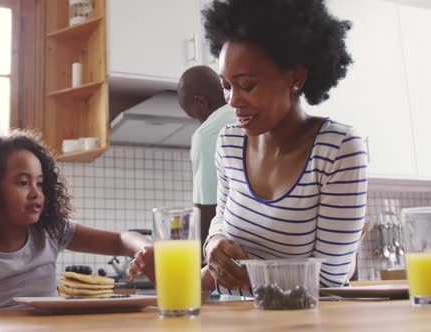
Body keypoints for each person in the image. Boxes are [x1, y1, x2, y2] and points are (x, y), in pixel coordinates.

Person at [130, 0, 367, 293]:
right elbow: (221, 220)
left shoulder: (338, 151)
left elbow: (332, 279)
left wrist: (253, 278)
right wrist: (213, 244)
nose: (232, 100)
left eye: (247, 85)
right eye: (226, 86)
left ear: (295, 79)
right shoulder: (229, 143)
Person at [0, 130, 152, 310]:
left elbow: (121, 240)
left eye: (40, 183)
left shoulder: (51, 231)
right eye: (23, 183)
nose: (37, 193)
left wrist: (146, 250)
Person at [177, 65, 235, 252]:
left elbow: (206, 210)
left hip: (231, 250)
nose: (197, 121)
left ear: (200, 101)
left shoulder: (208, 133)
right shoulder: (252, 118)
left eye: (192, 115)